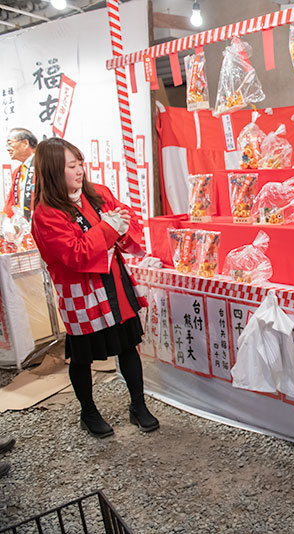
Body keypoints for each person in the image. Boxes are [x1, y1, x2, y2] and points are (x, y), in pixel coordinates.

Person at [31, 137, 159, 438]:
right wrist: (109, 228)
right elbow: (75, 254)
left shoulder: (98, 193)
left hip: (113, 280)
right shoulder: (46, 213)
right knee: (82, 356)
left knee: (129, 345)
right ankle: (88, 412)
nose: (80, 171)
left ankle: (138, 405)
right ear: (52, 171)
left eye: (81, 164)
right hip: (81, 292)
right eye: (72, 166)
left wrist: (123, 230)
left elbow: (127, 225)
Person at [5, 128, 38, 221]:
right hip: (24, 227)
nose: (8, 149)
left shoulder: (44, 166)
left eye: (10, 143)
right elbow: (11, 203)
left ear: (25, 143)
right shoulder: (17, 171)